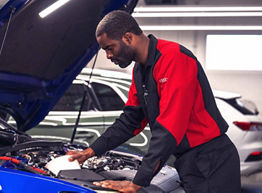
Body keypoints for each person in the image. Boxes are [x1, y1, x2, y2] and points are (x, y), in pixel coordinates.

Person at [67, 10, 241, 193]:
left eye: (109, 48)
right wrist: (91, 151)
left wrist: (138, 181)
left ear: (127, 38)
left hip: (211, 160)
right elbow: (130, 120)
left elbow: (170, 127)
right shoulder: (139, 71)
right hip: (188, 161)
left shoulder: (174, 57)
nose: (108, 56)